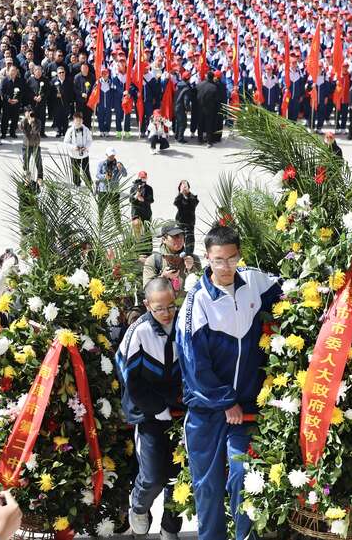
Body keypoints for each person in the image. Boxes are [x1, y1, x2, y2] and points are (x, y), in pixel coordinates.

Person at [177, 226, 282, 540]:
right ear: (207, 258)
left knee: (244, 476)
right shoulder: (196, 302)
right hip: (206, 411)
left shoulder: (252, 281)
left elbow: (291, 288)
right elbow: (193, 365)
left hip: (246, 409)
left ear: (239, 255)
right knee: (207, 489)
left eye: (231, 258)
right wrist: (225, 402)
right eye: (218, 260)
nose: (225, 267)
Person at [116, 278, 184, 538]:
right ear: (147, 305)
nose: (166, 313)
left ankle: (170, 526)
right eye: (159, 309)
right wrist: (155, 407)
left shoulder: (182, 324)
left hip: (179, 409)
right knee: (153, 474)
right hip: (148, 412)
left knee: (179, 475)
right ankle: (139, 507)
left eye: (171, 306)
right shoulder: (139, 331)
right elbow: (129, 379)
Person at [143, 223, 202, 297]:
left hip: (187, 305)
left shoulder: (193, 259)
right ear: (164, 239)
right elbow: (147, 289)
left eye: (182, 236)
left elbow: (201, 287)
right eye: (175, 236)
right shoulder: (153, 260)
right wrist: (163, 277)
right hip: (164, 307)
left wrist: (191, 269)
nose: (180, 240)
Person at [63, 112, 92, 186]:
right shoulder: (70, 130)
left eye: (80, 120)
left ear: (82, 120)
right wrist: (73, 147)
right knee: (75, 171)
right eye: (76, 120)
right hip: (74, 154)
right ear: (74, 120)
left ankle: (89, 183)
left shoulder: (86, 129)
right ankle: (77, 184)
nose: (78, 122)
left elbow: (89, 140)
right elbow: (66, 143)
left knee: (86, 170)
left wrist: (86, 147)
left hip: (84, 153)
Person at [173, 181, 199, 254]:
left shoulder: (193, 197)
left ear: (188, 187)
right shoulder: (179, 198)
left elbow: (194, 204)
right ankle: (179, 253)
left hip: (189, 222)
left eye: (186, 186)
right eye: (182, 186)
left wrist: (188, 194)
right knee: (179, 238)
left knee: (189, 238)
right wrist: (181, 194)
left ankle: (189, 254)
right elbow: (176, 203)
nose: (184, 188)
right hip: (180, 221)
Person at [20, 108, 43, 182]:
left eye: (31, 113)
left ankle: (40, 177)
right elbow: (23, 131)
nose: (30, 115)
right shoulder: (23, 121)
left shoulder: (38, 121)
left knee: (38, 162)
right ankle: (27, 176)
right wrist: (27, 122)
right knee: (25, 162)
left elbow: (35, 131)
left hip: (35, 145)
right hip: (26, 145)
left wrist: (32, 123)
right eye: (28, 113)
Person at [130, 171, 154, 237]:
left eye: (144, 178)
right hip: (136, 212)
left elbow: (151, 200)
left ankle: (148, 246)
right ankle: (138, 244)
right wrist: (136, 196)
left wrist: (143, 199)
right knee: (136, 227)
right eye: (141, 177)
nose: (143, 179)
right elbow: (131, 200)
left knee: (147, 232)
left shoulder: (149, 188)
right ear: (138, 177)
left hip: (146, 212)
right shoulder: (133, 188)